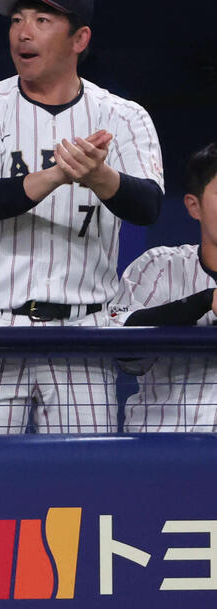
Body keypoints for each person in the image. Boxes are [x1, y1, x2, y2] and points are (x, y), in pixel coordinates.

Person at [0, 0, 163, 434]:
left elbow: (147, 206)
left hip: (81, 333)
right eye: (17, 19)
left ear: (79, 38)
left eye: (43, 20)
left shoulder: (123, 116)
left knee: (81, 489)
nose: (23, 31)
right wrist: (61, 174)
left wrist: (101, 177)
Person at [116, 143, 217, 430]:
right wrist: (204, 301)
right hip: (164, 449)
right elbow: (124, 353)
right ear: (193, 206)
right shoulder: (158, 265)